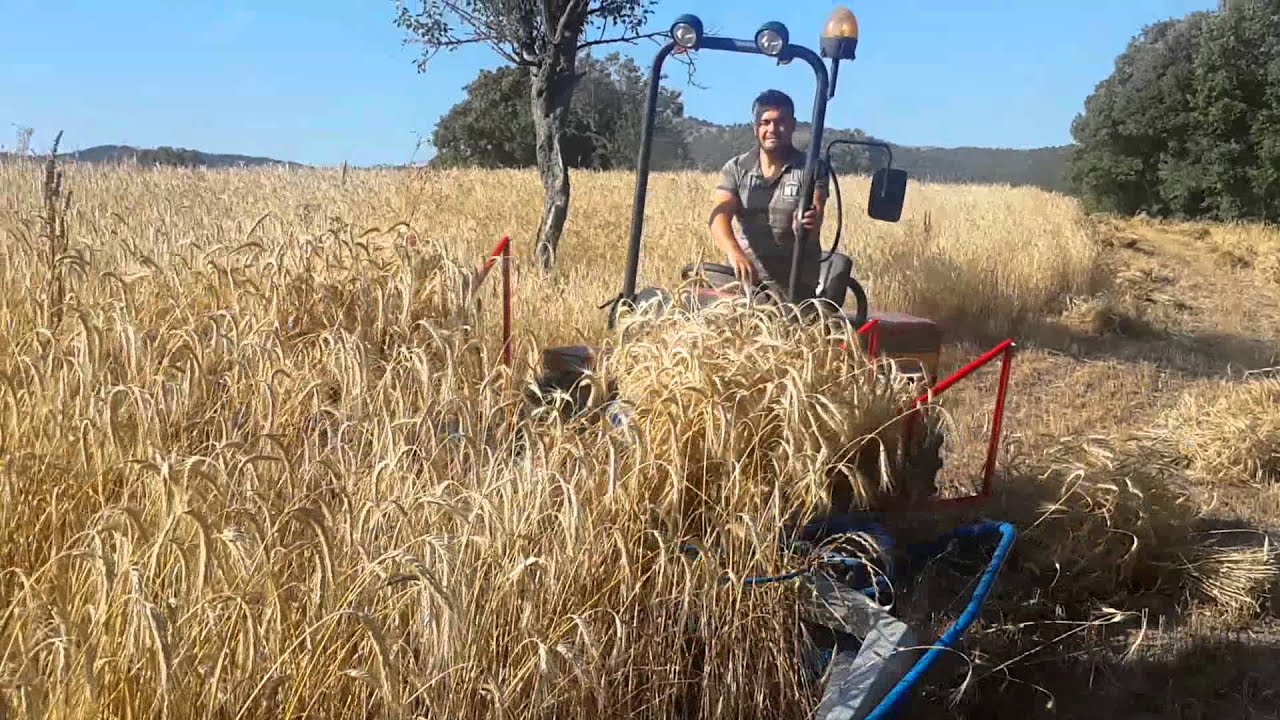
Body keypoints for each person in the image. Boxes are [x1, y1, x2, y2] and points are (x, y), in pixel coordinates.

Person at [707, 89, 829, 301]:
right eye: (765, 122)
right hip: (745, 280)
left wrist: (807, 223)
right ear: (755, 127)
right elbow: (719, 216)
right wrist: (735, 252)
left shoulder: (812, 169)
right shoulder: (737, 168)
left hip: (793, 285)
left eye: (780, 122)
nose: (772, 129)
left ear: (792, 125)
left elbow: (816, 213)